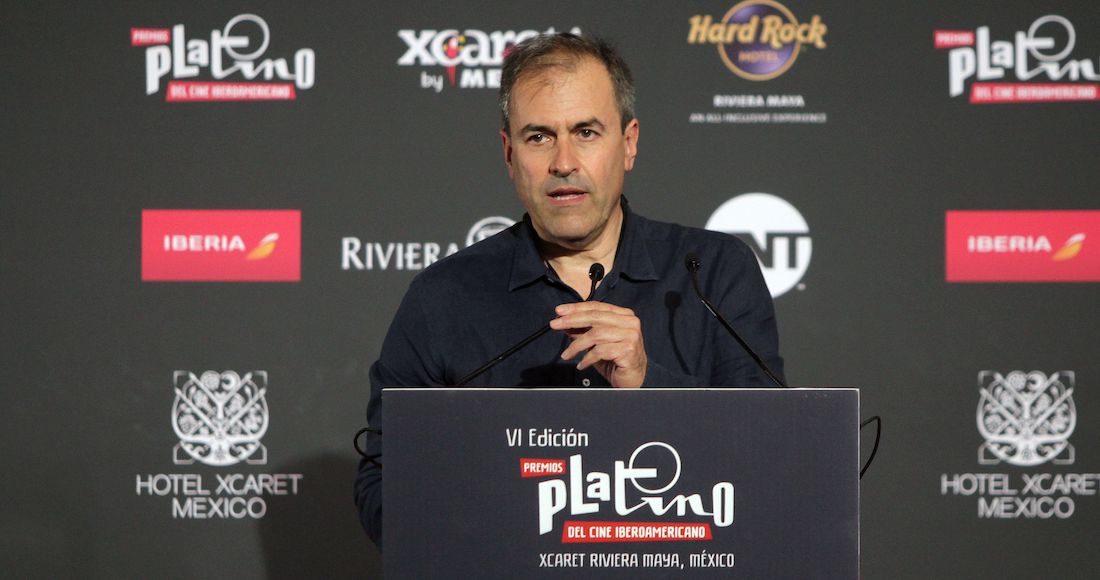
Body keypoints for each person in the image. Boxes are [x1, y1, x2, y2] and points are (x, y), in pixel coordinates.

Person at [355, 32, 782, 549]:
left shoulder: (713, 273)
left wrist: (648, 384)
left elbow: (771, 462)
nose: (563, 162)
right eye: (539, 137)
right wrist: (488, 513)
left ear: (628, 143)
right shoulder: (443, 297)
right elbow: (383, 487)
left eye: (585, 132)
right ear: (509, 154)